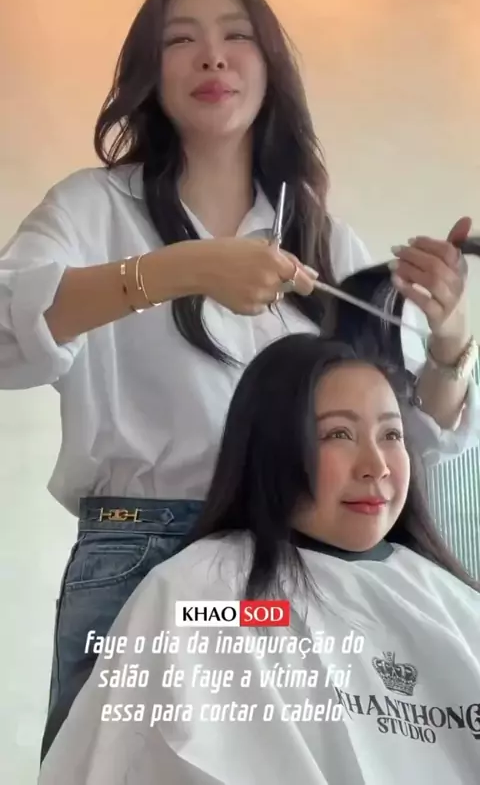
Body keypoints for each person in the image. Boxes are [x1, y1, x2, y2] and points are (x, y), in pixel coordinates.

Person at [0, 0, 478, 757]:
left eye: (236, 37)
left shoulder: (323, 240)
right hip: (144, 554)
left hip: (288, 568)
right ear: (151, 72)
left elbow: (411, 441)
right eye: (180, 40)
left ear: (270, 66)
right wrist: (178, 270)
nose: (212, 57)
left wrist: (453, 337)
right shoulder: (91, 207)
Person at [37, 331, 480, 785]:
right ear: (273, 448)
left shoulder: (450, 603)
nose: (377, 465)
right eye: (338, 434)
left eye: (391, 434)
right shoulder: (205, 595)